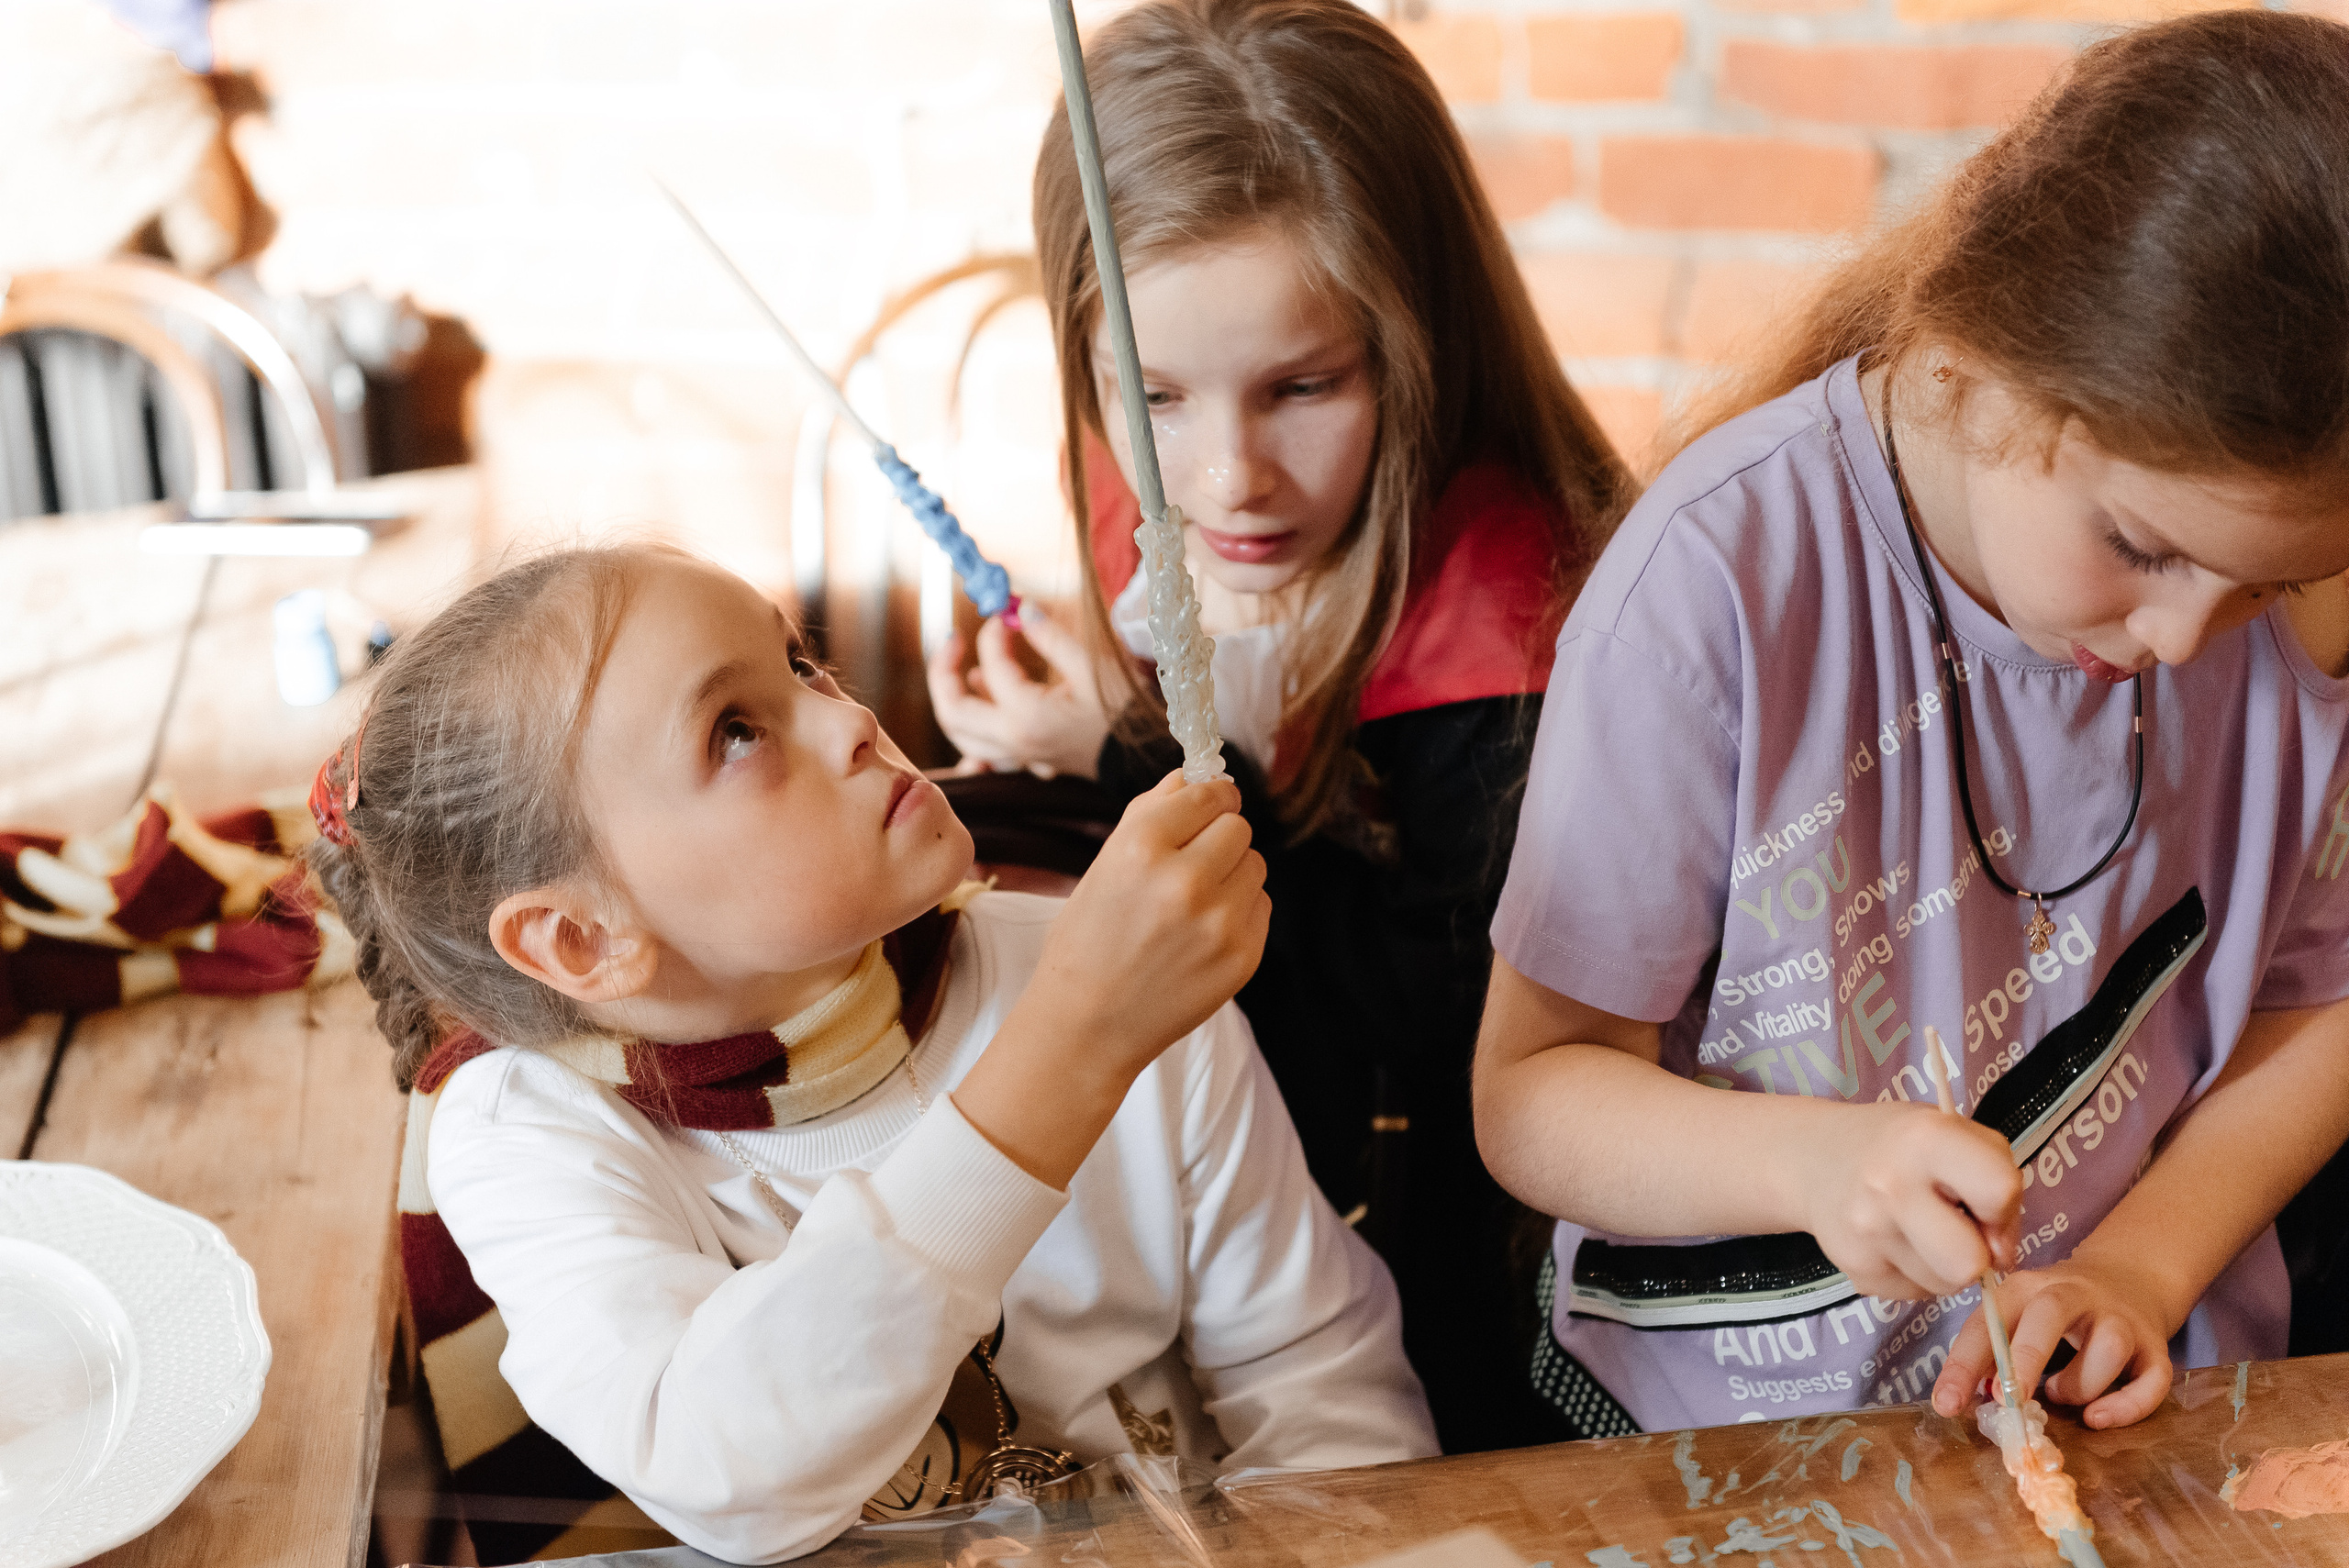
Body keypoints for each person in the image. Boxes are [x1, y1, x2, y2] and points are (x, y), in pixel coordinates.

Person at [1474, 9, 2349, 1440]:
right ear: (1976, 367)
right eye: (2138, 546)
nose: (2190, 639)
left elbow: (2322, 1001)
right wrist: (1817, 1167)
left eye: (2271, 580)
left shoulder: (2313, 608)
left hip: (2134, 1410)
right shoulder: (1715, 586)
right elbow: (1533, 1095)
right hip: (1729, 1431)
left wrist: (2140, 1259)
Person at [308, 544, 1435, 1564]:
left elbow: (1323, 1390)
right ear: (583, 938)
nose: (848, 718)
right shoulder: (530, 1130)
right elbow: (726, 1467)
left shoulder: (1113, 982)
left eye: (798, 663)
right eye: (735, 730)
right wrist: (1067, 1053)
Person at [925, 0, 1629, 1452]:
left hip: (1469, 1310)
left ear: (1413, 342)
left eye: (1305, 388)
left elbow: (1439, 1031)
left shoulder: (1521, 628)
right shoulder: (1174, 452)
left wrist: (1119, 759)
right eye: (1152, 396)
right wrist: (1086, 721)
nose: (1227, 477)